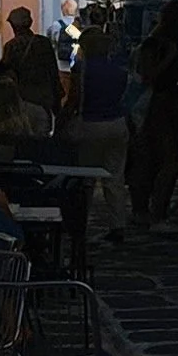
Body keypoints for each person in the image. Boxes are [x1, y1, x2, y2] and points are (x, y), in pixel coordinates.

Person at [124, 0, 178, 224]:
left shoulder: (156, 42)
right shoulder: (159, 45)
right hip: (156, 107)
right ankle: (155, 210)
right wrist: (170, 60)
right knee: (163, 160)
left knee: (152, 159)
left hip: (159, 107)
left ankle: (148, 209)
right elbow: (148, 76)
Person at [62, 12, 132, 237]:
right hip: (117, 124)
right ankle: (117, 225)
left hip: (90, 124)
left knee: (86, 178)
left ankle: (81, 224)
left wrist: (63, 119)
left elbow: (74, 99)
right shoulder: (119, 71)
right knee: (115, 177)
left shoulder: (81, 69)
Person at [0, 3, 64, 126]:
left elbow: (6, 74)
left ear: (14, 26)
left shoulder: (11, 46)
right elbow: (53, 71)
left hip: (22, 100)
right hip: (44, 99)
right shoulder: (43, 43)